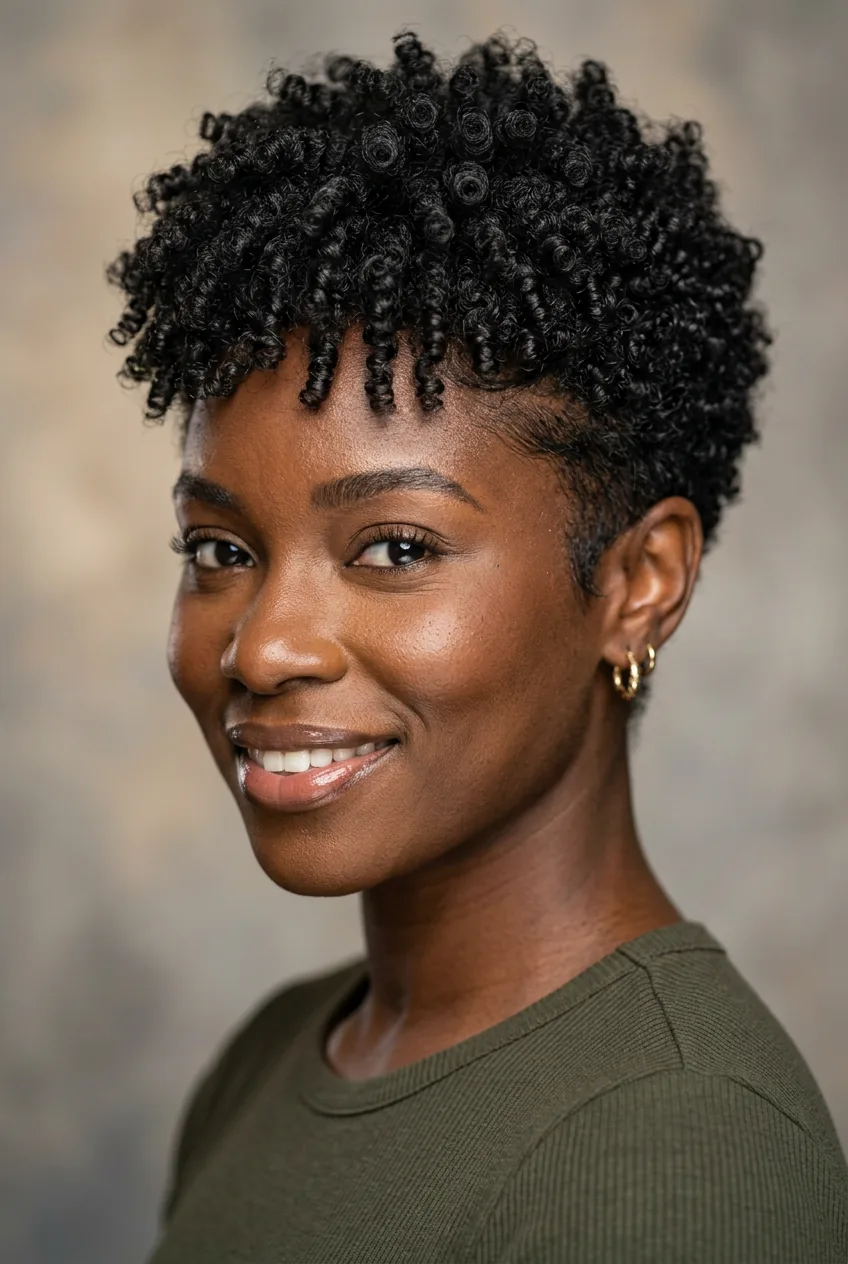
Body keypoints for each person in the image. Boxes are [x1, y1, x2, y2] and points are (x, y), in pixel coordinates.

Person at [106, 31, 848, 1263]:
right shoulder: (269, 1061)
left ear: (637, 584)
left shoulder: (673, 1150)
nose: (264, 646)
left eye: (394, 546)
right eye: (220, 549)